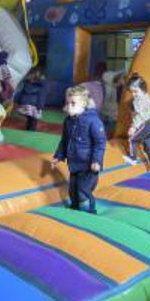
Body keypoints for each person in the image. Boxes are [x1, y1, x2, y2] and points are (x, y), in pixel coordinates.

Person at [52, 85, 106, 213]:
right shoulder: (68, 121)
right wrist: (58, 156)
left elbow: (100, 143)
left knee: (83, 191)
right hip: (75, 164)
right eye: (67, 103)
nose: (69, 106)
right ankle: (75, 209)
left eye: (73, 103)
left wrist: (96, 161)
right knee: (72, 190)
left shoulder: (93, 121)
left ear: (83, 104)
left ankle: (89, 211)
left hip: (88, 166)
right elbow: (64, 140)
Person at [123, 75, 150, 172]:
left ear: (142, 89)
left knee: (132, 139)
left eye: (135, 91)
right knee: (148, 147)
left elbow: (140, 115)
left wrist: (133, 127)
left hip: (147, 123)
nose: (134, 94)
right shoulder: (146, 97)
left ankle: (132, 158)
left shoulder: (139, 100)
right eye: (132, 92)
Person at [14, 67, 46, 131]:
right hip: (34, 105)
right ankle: (31, 129)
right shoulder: (41, 86)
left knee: (29, 117)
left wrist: (17, 101)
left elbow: (20, 92)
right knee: (34, 118)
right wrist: (40, 106)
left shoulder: (25, 83)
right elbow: (41, 97)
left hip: (25, 104)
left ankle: (28, 127)